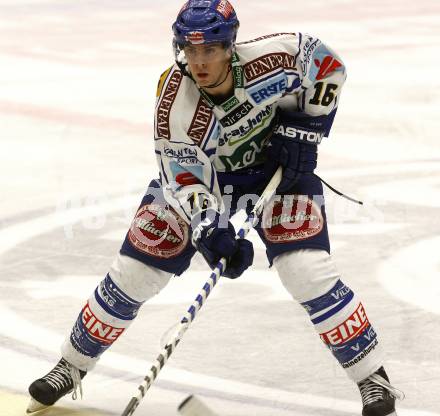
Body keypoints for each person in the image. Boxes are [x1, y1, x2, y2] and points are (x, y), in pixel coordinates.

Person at [27, 1, 404, 415]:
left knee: (306, 271)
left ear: (230, 46)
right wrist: (211, 228)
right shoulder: (176, 104)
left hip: (276, 174)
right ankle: (71, 365)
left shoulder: (278, 57)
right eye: (190, 52)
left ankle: (372, 377)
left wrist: (307, 128)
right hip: (206, 184)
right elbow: (184, 178)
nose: (200, 62)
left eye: (209, 50)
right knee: (134, 273)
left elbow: (329, 66)